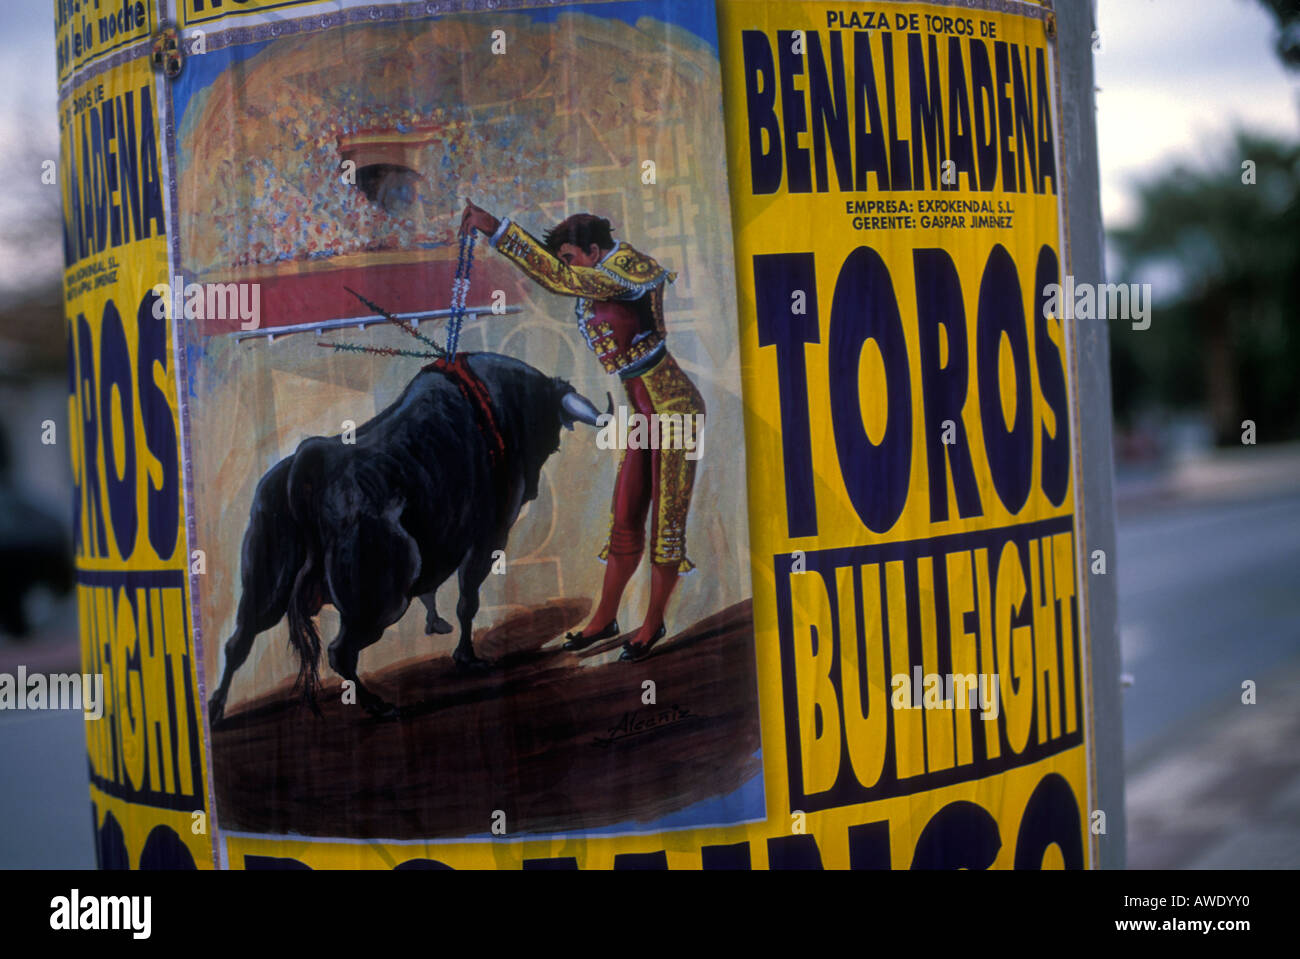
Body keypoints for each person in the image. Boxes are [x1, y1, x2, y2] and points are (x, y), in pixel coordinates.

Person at [460, 200, 704, 661]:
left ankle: (652, 624)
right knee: (626, 515)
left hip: (675, 411)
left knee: (666, 525)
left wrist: (497, 230)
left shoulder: (629, 266)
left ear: (594, 251)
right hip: (646, 412)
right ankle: (605, 618)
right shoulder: (604, 269)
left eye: (571, 257)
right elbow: (564, 275)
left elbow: (561, 279)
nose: (567, 267)